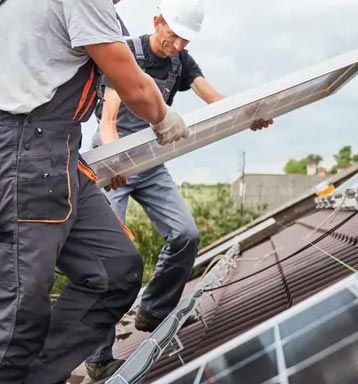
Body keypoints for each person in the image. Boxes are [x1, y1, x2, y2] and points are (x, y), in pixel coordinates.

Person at [0, 0, 190, 382]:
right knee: (23, 301)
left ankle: (34, 376)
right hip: (30, 150)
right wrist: (163, 116)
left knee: (114, 271)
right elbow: (132, 84)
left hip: (60, 153)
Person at [84, 0, 272, 379]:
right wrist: (114, 163)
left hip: (151, 164)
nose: (179, 46)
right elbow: (107, 120)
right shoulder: (127, 52)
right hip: (115, 162)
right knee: (110, 259)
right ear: (158, 22)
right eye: (174, 37)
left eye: (185, 40)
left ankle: (152, 310)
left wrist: (249, 115)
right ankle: (99, 355)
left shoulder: (181, 63)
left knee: (186, 234)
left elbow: (215, 100)